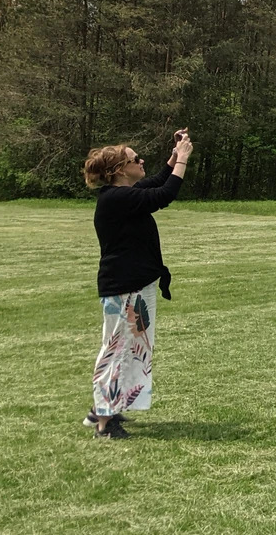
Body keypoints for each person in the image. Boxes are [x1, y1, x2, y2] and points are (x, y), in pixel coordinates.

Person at [83, 129, 192, 439]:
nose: (142, 161)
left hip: (135, 285)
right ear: (120, 169)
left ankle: (108, 406)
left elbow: (154, 183)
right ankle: (104, 422)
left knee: (132, 351)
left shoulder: (123, 195)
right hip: (123, 288)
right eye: (135, 159)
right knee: (116, 351)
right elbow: (163, 195)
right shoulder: (116, 198)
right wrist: (183, 159)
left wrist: (172, 160)